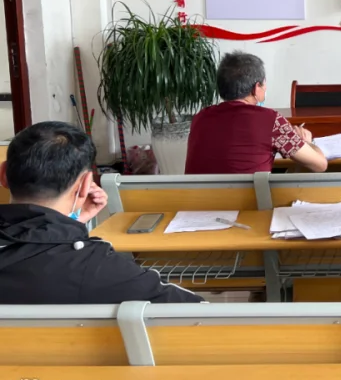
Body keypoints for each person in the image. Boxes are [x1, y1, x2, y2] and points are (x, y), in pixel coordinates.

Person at [0, 122, 204, 304]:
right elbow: (197, 310)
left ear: (3, 174)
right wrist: (68, 228)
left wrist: (69, 224)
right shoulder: (99, 268)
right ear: (85, 184)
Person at [186, 52, 327, 174]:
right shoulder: (271, 121)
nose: (265, 88)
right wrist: (307, 142)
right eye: (263, 84)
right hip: (248, 198)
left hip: (196, 198)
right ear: (256, 88)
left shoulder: (200, 118)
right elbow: (320, 164)